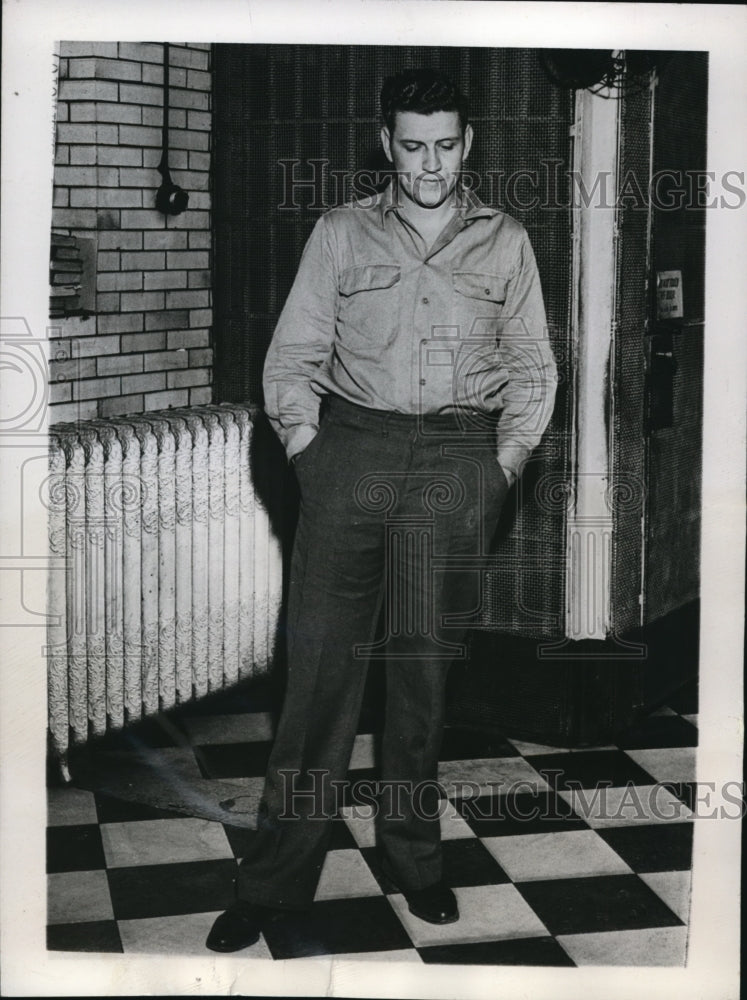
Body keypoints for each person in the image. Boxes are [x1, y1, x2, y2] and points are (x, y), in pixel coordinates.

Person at [206, 67, 557, 952]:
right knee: (316, 678)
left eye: (444, 145)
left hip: (456, 459)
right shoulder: (340, 231)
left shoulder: (505, 241)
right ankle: (277, 877)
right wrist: (309, 455)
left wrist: (500, 466)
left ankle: (415, 860)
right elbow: (291, 359)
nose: (429, 165)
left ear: (466, 144)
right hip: (349, 453)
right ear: (386, 144)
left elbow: (535, 370)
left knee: (420, 681)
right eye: (411, 146)